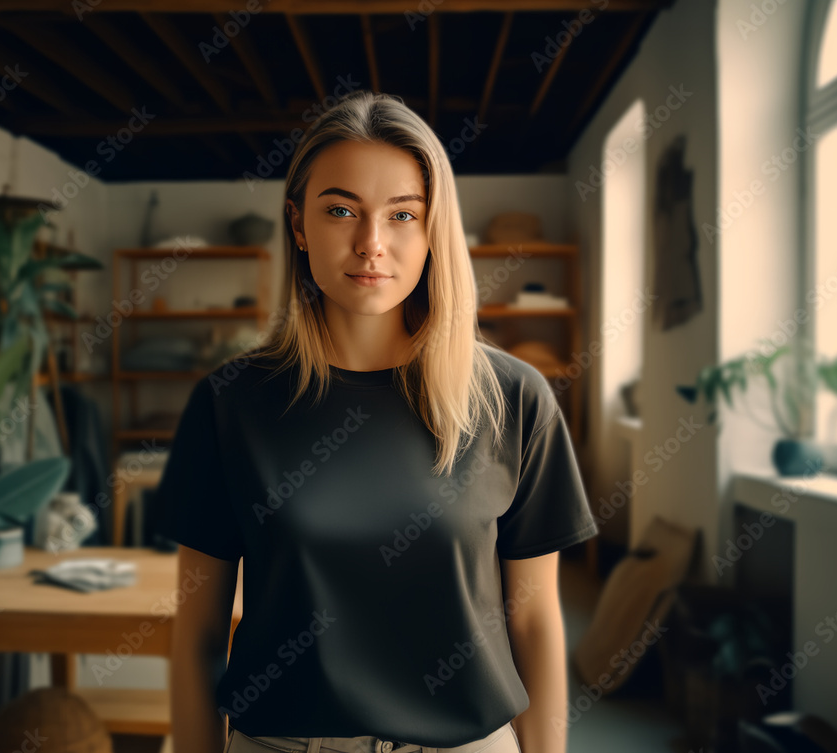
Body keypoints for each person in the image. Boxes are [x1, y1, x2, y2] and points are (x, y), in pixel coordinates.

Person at [152, 90, 598, 753]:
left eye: (402, 215)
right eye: (341, 210)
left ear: (433, 230)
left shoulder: (515, 398)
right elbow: (198, 633)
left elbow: (535, 621)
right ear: (298, 224)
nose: (371, 244)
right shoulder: (230, 402)